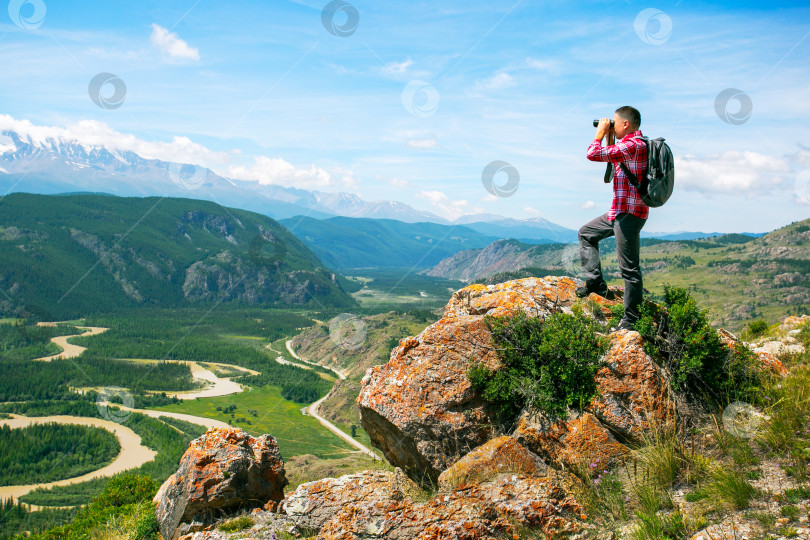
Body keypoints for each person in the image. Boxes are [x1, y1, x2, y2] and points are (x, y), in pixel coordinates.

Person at [576, 106, 648, 331]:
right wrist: (609, 136)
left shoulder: (634, 144)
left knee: (629, 269)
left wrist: (599, 134)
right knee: (586, 233)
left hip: (629, 214)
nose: (610, 125)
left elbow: (592, 154)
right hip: (618, 211)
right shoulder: (628, 146)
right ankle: (595, 283)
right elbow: (612, 158)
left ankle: (631, 320)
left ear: (625, 124)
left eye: (614, 123)